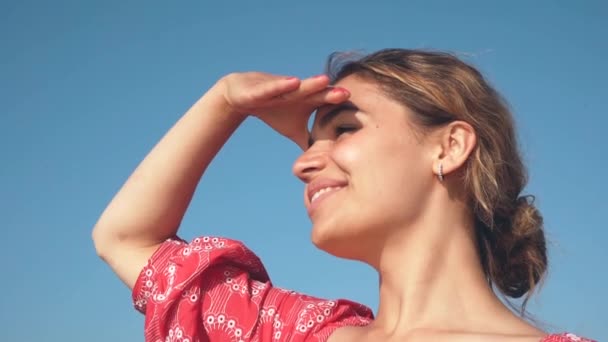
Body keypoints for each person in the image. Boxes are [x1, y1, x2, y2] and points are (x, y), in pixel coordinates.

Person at [93, 49, 596, 342]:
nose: (302, 163)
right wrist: (226, 101)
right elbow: (125, 238)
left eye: (345, 129)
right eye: (313, 142)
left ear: (450, 146)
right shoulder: (294, 332)